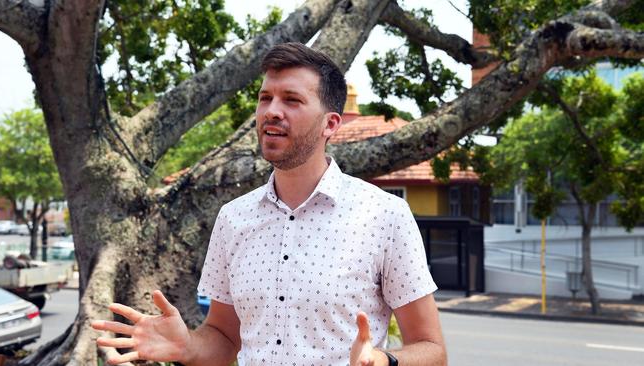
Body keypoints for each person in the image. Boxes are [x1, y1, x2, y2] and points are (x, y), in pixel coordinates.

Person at [92, 42, 446, 366]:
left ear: (331, 124)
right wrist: (187, 347)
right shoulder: (233, 218)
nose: (271, 111)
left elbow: (433, 349)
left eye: (291, 100)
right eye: (265, 99)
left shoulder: (384, 216)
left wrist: (384, 361)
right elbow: (224, 337)